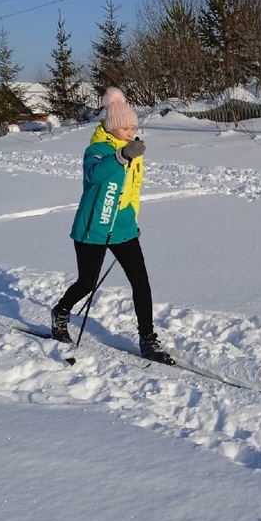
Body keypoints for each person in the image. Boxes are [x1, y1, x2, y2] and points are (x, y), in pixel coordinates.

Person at [50, 86, 174, 364]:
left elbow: (132, 191)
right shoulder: (96, 150)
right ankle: (61, 312)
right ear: (112, 127)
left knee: (140, 282)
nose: (131, 133)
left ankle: (147, 338)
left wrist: (132, 221)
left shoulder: (132, 151)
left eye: (134, 128)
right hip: (92, 229)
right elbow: (94, 175)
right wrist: (120, 157)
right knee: (87, 283)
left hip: (123, 229)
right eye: (126, 128)